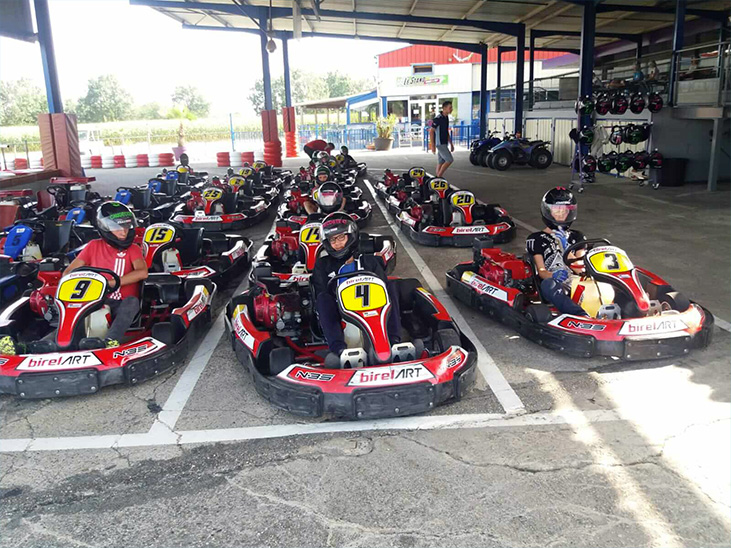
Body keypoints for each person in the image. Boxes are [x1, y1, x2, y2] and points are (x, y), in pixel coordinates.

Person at [0, 202, 148, 355]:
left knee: (132, 302)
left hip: (120, 301)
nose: (123, 231)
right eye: (117, 228)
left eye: (126, 226)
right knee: (70, 318)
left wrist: (109, 283)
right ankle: (31, 347)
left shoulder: (133, 249)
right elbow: (69, 272)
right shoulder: (93, 246)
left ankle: (110, 341)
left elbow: (142, 272)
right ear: (105, 228)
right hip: (94, 299)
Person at [312, 213, 401, 367]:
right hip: (341, 311)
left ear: (351, 236)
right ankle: (339, 349)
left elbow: (381, 287)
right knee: (323, 299)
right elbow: (322, 290)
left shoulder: (370, 261)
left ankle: (393, 341)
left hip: (375, 308)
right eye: (333, 240)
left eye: (341, 238)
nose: (337, 244)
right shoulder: (323, 265)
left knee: (390, 287)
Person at [526, 187, 588, 317]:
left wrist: (566, 249)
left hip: (578, 282)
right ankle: (580, 315)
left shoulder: (577, 236)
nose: (561, 214)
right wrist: (553, 276)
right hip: (555, 284)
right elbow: (541, 271)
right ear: (548, 212)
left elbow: (581, 270)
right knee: (548, 285)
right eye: (556, 210)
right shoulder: (536, 238)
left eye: (564, 210)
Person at [429, 100, 454, 178]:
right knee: (449, 160)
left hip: (444, 142)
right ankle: (439, 177)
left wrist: (451, 143)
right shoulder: (438, 119)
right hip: (440, 143)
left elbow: (446, 131)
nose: (451, 109)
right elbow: (431, 131)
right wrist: (432, 145)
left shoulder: (446, 118)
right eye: (450, 108)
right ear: (444, 108)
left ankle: (437, 177)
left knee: (441, 161)